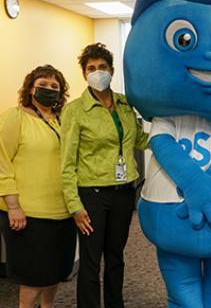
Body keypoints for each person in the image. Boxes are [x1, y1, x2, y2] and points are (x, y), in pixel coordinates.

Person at [60, 43, 149, 308]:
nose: (97, 72)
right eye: (91, 68)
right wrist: (75, 206)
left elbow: (140, 139)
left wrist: (171, 139)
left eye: (102, 67)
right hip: (92, 196)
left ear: (111, 70)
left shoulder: (123, 104)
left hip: (123, 192)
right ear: (84, 73)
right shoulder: (75, 110)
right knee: (90, 261)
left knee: (116, 257)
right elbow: (66, 163)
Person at [0, 65, 76, 308]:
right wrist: (13, 206)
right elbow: (1, 161)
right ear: (30, 88)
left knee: (54, 271)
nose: (49, 90)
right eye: (43, 84)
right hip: (27, 214)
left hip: (63, 211)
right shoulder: (16, 117)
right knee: (33, 275)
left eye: (55, 86)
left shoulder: (61, 121)